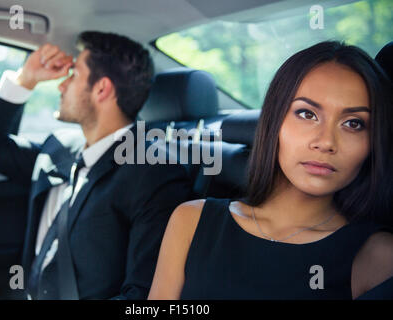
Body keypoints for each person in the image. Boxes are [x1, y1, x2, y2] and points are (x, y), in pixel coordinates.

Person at [148, 41, 393, 300]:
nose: (326, 142)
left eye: (353, 123)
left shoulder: (377, 257)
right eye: (307, 114)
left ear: (373, 142)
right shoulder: (192, 221)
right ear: (273, 122)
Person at [0, 31, 192, 299]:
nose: (61, 85)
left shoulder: (153, 175)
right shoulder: (58, 147)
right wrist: (25, 79)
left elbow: (141, 296)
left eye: (74, 75)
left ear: (102, 89)